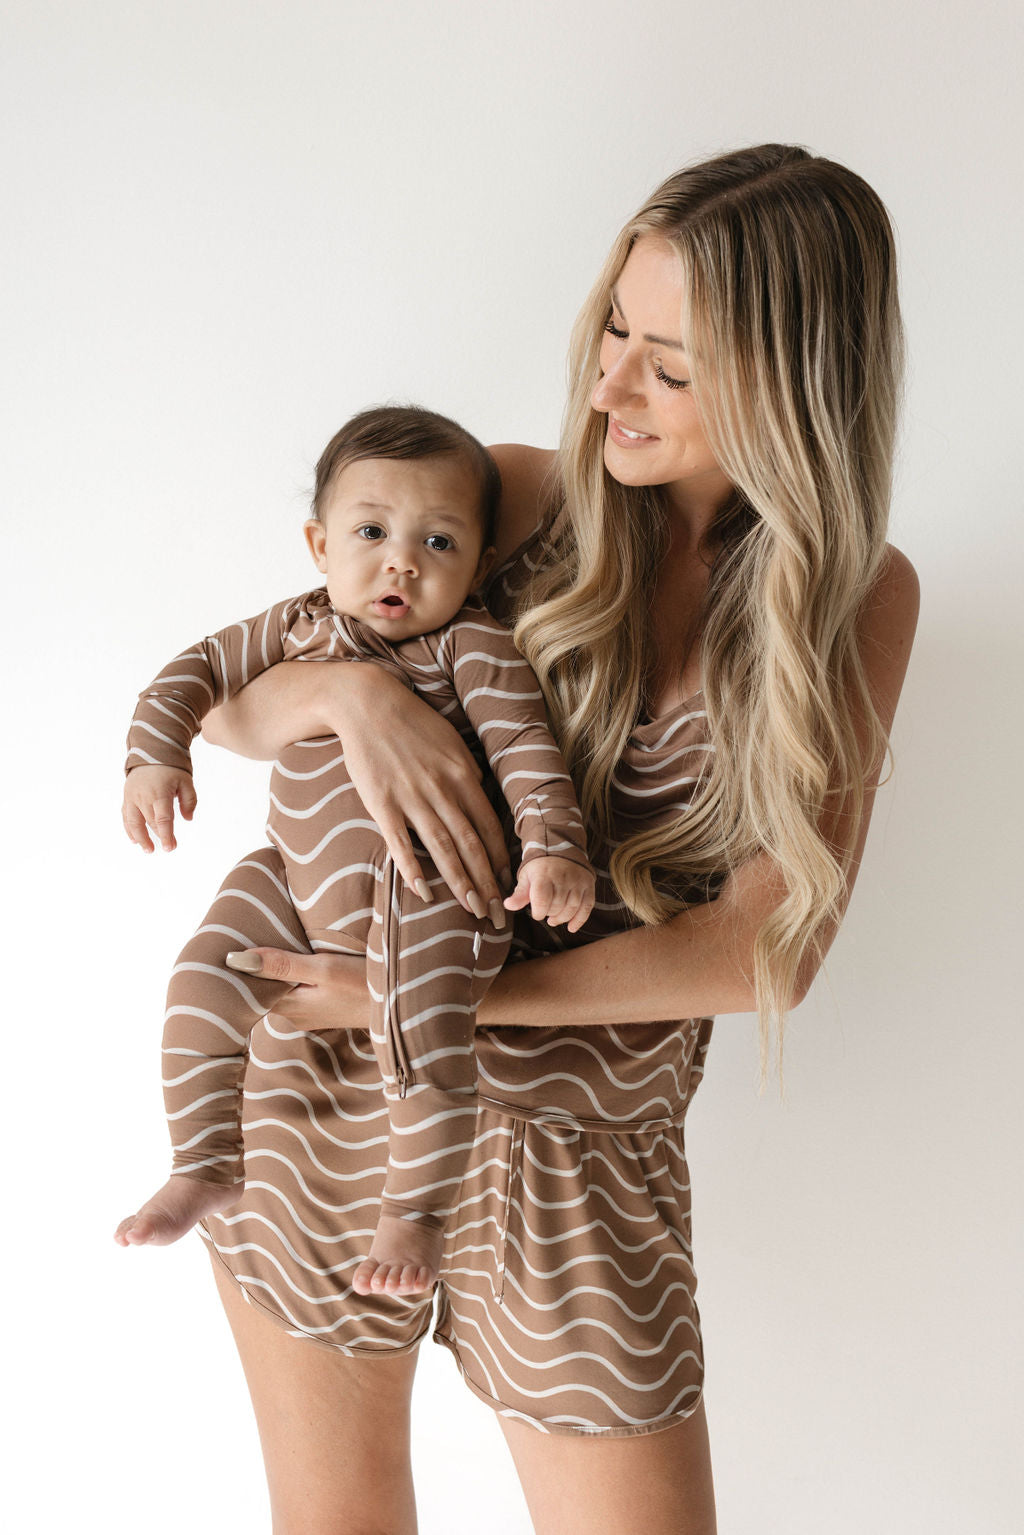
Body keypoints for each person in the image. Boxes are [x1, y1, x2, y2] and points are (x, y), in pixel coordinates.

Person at [160, 146, 920, 1533]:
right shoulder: (514, 496)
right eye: (615, 329)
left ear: (795, 381)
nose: (611, 383)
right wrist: (348, 694)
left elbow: (765, 953)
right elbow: (230, 703)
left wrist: (426, 1000)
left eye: (671, 364)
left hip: (580, 1142)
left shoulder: (855, 600)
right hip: (330, 1082)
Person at [114, 405, 596, 1295]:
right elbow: (193, 673)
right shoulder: (296, 626)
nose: (401, 560)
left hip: (429, 885)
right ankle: (206, 1158)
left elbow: (530, 754)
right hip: (292, 882)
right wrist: (155, 754)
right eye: (371, 530)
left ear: (482, 564)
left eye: (439, 542)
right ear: (320, 543)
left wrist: (553, 851)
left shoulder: (472, 646)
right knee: (203, 974)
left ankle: (414, 1215)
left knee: (423, 1020)